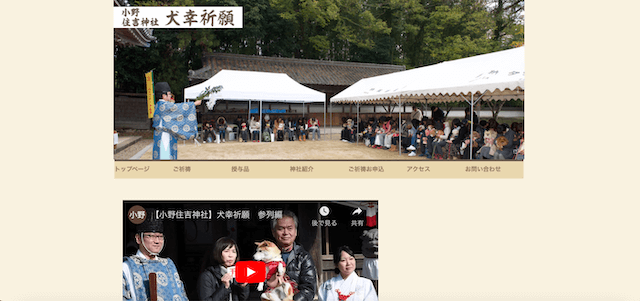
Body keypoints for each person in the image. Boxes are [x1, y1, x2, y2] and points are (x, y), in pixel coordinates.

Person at [123, 212, 189, 301]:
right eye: (151, 236)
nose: (157, 241)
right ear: (138, 239)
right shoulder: (126, 266)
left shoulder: (168, 264)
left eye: (160, 236)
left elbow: (181, 294)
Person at [267, 210, 317, 301]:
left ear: (296, 231)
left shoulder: (304, 257)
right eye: (281, 228)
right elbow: (257, 286)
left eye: (290, 228)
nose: (286, 232)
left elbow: (308, 289)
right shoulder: (265, 257)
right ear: (273, 232)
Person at [152, 82, 201, 160]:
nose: (170, 95)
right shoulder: (163, 105)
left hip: (163, 133)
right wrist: (194, 104)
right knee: (165, 155)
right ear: (163, 95)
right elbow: (177, 108)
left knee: (165, 154)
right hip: (164, 136)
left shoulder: (160, 104)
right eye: (169, 94)